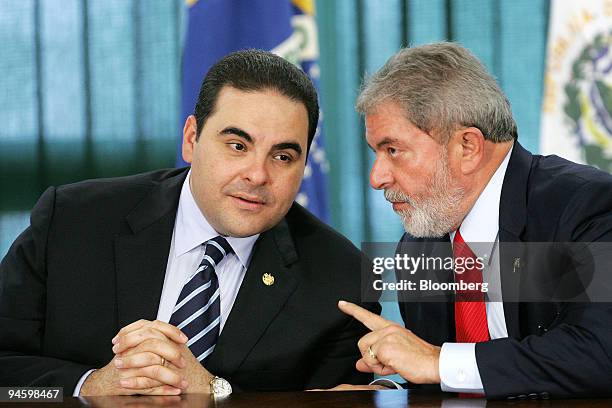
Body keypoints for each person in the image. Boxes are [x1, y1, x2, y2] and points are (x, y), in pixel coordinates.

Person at [0, 49, 379, 396]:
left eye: (282, 156)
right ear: (191, 139)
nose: (257, 175)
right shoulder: (72, 220)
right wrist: (88, 386)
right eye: (237, 146)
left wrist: (216, 392)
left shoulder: (340, 279)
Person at [337, 42, 612, 399]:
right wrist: (385, 391)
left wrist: (436, 362)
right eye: (376, 152)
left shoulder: (586, 206)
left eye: (393, 150)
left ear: (467, 147)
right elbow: (454, 376)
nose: (377, 177)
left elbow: (600, 352)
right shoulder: (420, 245)